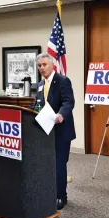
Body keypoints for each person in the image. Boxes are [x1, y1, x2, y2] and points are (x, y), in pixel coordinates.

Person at [33, 53, 76, 210]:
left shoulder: (63, 81)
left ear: (52, 65)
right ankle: (49, 193)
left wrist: (61, 115)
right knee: (47, 164)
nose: (42, 68)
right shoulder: (40, 84)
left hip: (61, 130)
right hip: (46, 132)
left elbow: (68, 101)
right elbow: (38, 104)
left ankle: (60, 197)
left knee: (59, 164)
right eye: (39, 66)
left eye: (44, 64)